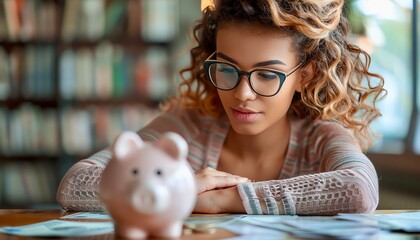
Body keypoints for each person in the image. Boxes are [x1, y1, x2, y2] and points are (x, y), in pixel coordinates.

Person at [56, 0, 386, 215]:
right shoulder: (186, 127)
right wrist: (177, 187)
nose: (242, 94)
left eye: (267, 75)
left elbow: (359, 189)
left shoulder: (321, 137)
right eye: (227, 69)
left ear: (305, 75)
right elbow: (74, 184)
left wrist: (227, 199)